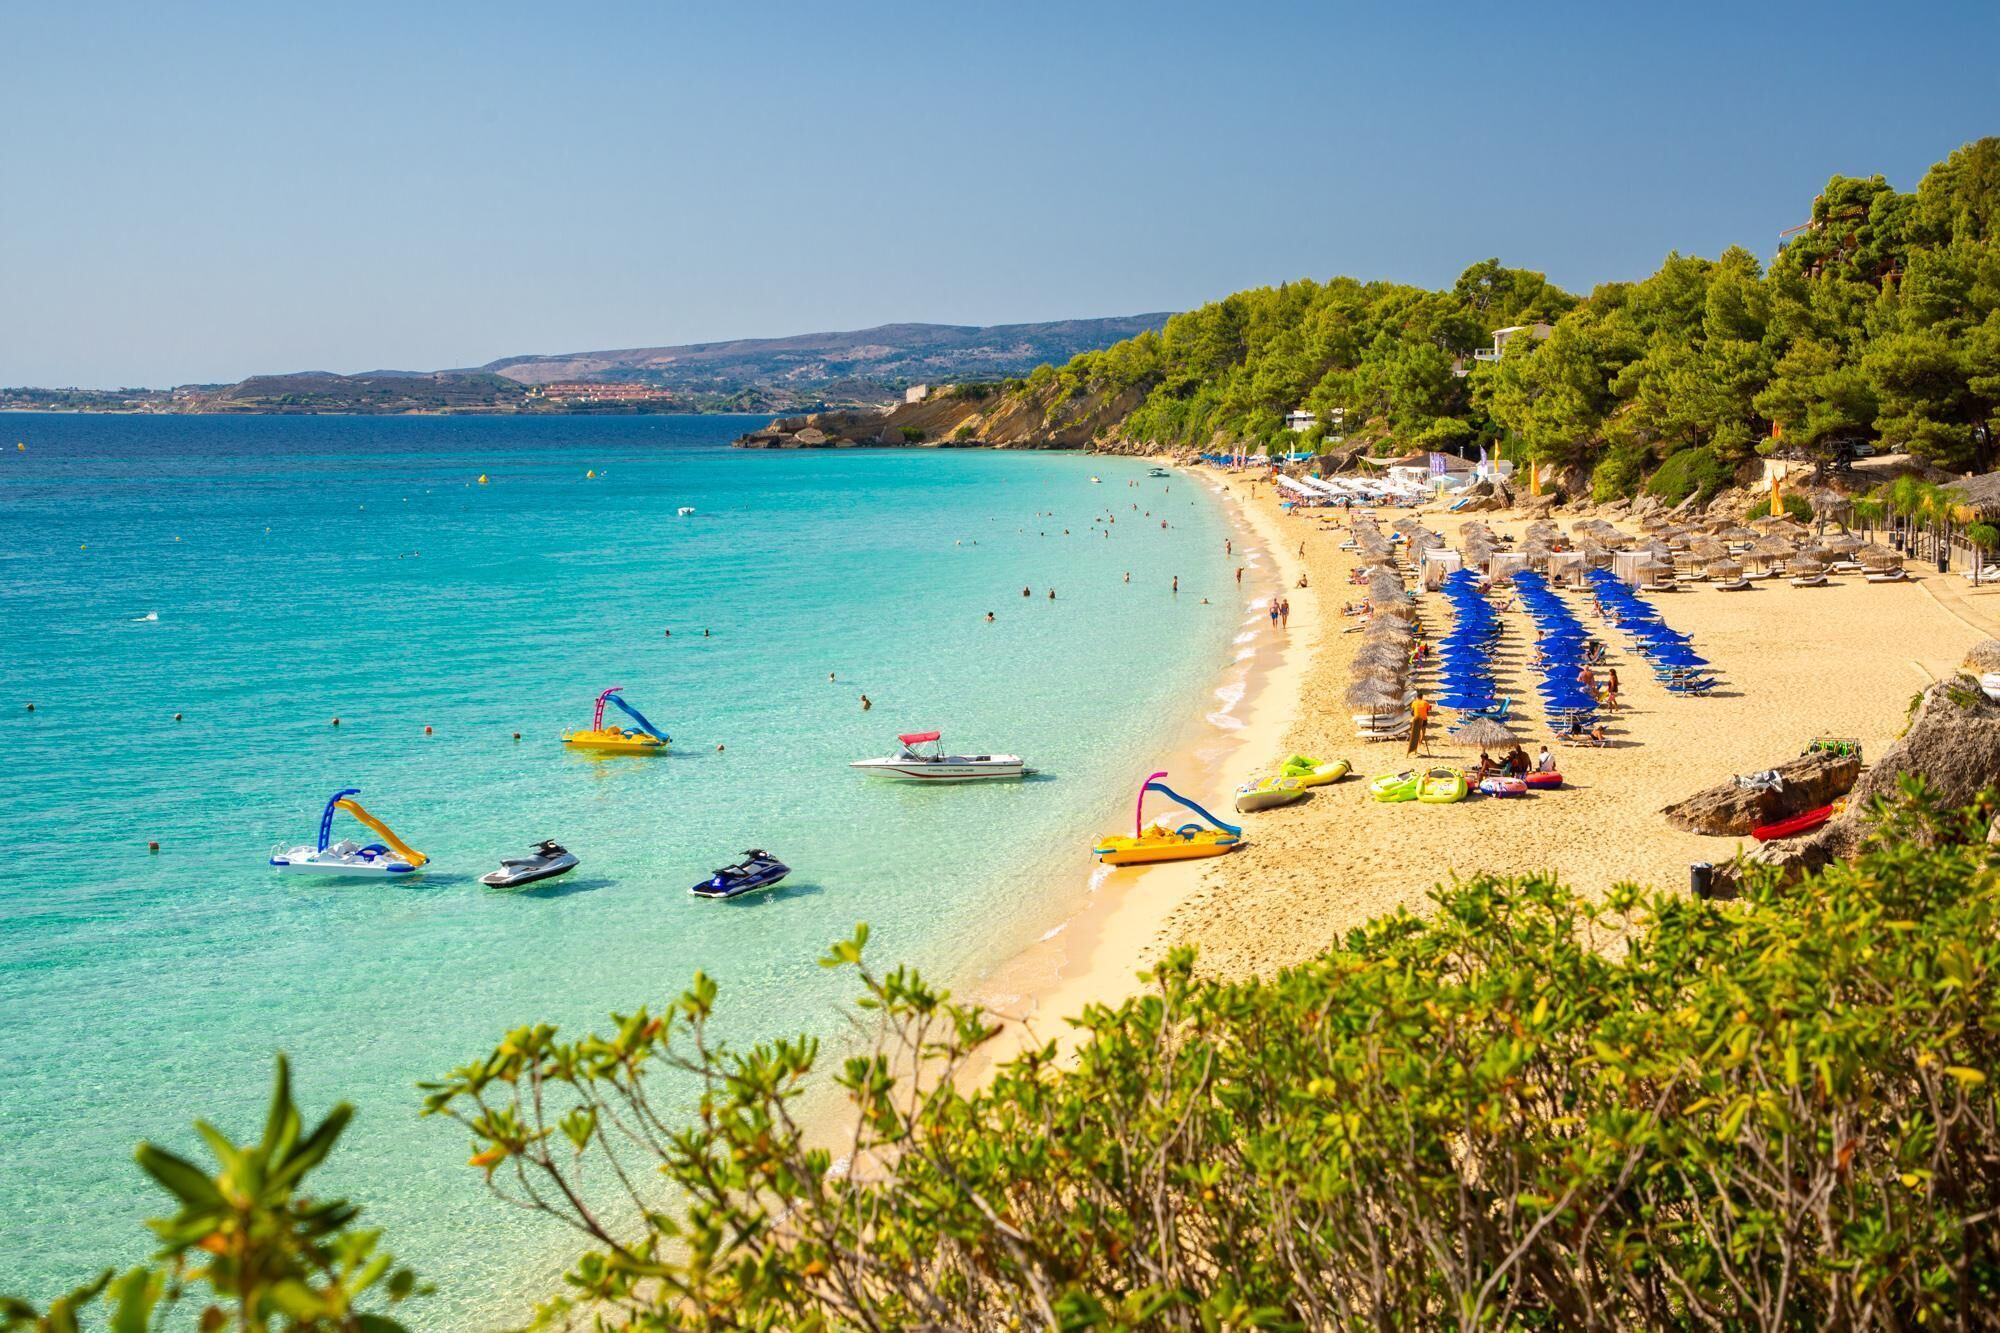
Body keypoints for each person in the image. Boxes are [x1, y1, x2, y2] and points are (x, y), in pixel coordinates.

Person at [1407, 692, 1432, 756]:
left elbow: (1412, 712)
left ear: (1417, 697)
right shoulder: (1425, 703)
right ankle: (1420, 741)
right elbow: (1428, 710)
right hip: (1423, 719)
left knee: (1416, 732)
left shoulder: (1414, 703)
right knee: (1423, 730)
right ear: (1422, 697)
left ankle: (1417, 742)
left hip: (1416, 720)